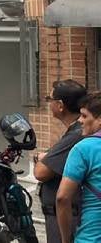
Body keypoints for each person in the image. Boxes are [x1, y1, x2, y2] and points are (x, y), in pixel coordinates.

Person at [36, 80, 88, 242]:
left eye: (49, 99)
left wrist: (42, 158)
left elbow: (41, 172)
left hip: (68, 216)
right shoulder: (74, 132)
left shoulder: (77, 135)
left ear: (60, 105)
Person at [59, 92, 101, 242]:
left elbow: (62, 198)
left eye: (84, 116)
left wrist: (65, 239)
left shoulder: (84, 149)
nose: (80, 121)